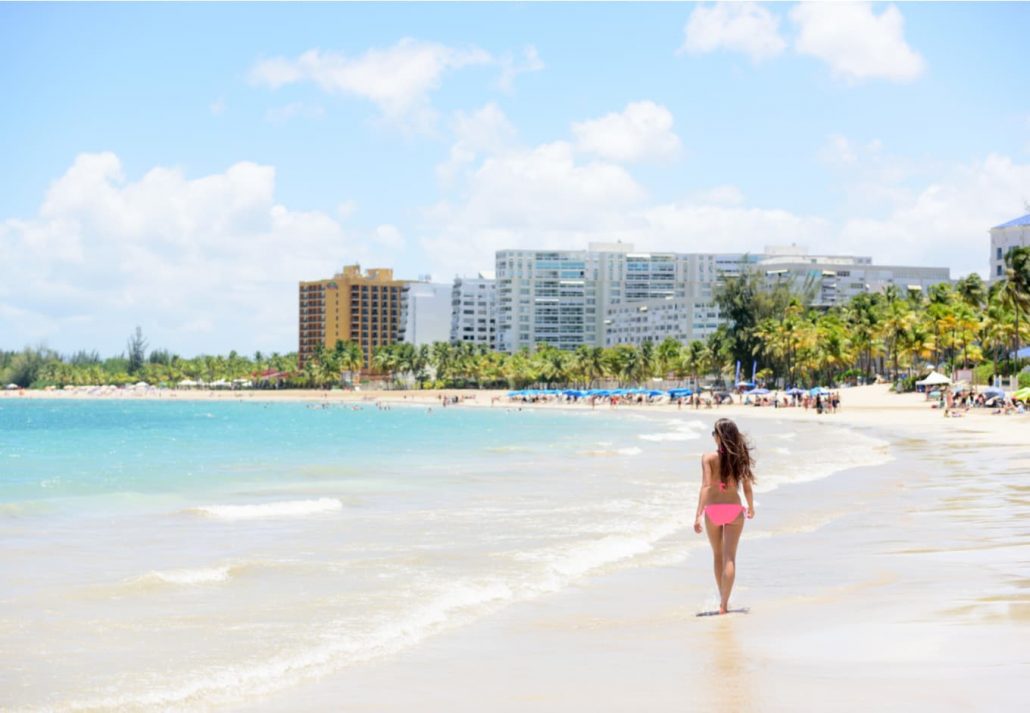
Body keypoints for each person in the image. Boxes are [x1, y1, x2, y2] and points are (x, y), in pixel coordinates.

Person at [693, 418, 756, 614]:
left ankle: (722, 597)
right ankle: (724, 604)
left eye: (714, 434)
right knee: (730, 558)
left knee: (718, 555)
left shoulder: (708, 458)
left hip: (713, 511)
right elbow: (747, 487)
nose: (713, 437)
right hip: (734, 510)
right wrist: (751, 507)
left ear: (720, 436)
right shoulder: (740, 458)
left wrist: (698, 515)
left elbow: (706, 486)